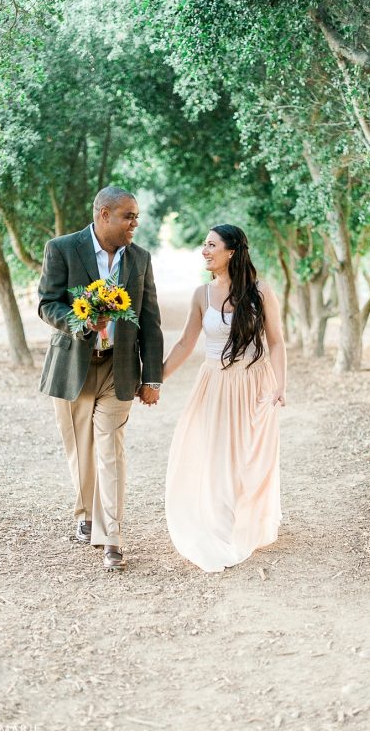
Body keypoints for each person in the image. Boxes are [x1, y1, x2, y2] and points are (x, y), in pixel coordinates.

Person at [37, 186, 163, 571]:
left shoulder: (139, 259)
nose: (135, 224)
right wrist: (81, 322)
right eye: (128, 216)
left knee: (111, 451)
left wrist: (152, 377)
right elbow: (47, 304)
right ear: (104, 214)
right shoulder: (61, 248)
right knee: (82, 451)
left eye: (136, 216)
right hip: (73, 365)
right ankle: (84, 512)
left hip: (119, 368)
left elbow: (150, 320)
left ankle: (112, 537)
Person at [163, 224, 286, 573]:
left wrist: (280, 384)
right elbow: (186, 344)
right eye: (204, 244)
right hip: (214, 384)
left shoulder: (260, 292)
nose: (204, 250)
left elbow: (276, 341)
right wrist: (155, 379)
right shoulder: (201, 295)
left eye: (211, 244)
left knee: (249, 455)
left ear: (231, 251)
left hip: (253, 383)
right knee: (215, 451)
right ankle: (218, 522)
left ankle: (246, 520)